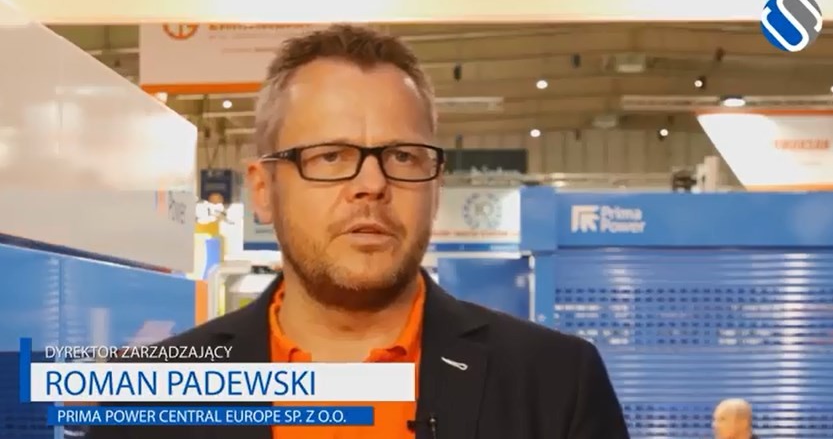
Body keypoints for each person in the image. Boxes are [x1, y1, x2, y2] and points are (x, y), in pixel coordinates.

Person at [86, 24, 629, 439]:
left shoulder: (556, 383)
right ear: (263, 189)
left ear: (436, 183)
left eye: (403, 156)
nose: (372, 185)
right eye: (330, 156)